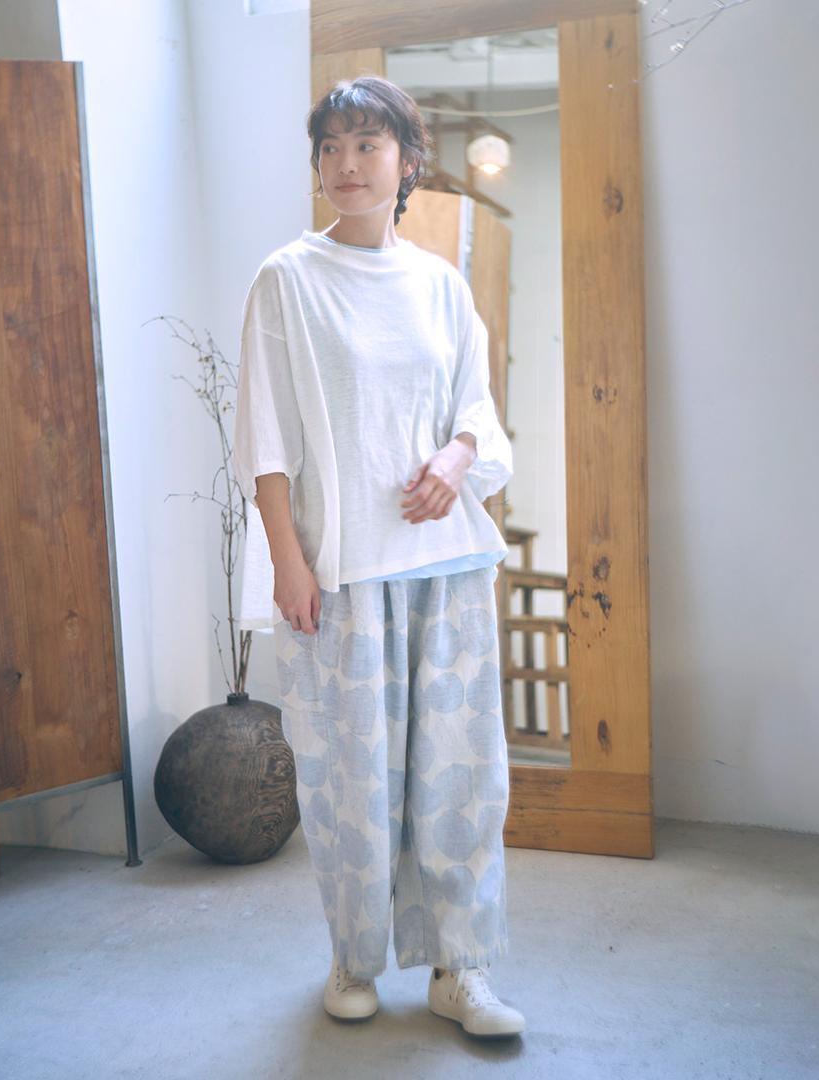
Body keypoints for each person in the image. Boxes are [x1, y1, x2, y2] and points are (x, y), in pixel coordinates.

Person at [232, 75, 525, 1039]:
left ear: (407, 161)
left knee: (458, 778)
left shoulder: (441, 285)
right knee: (348, 782)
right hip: (344, 574)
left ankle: (459, 967)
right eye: (332, 147)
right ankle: (352, 958)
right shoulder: (287, 278)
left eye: (368, 144)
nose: (347, 164)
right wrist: (287, 559)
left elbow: (477, 411)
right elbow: (265, 438)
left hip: (446, 566)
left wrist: (457, 456)